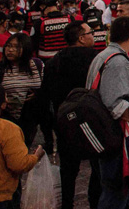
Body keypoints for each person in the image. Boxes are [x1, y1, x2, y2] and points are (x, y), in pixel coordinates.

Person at [85, 15, 129, 209]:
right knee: (115, 188)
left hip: (105, 133)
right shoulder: (117, 61)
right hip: (114, 135)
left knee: (119, 188)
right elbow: (115, 103)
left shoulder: (104, 56)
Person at [44, 20, 101, 209]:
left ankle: (67, 204)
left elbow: (46, 95)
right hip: (93, 120)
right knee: (97, 166)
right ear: (81, 38)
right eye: (91, 33)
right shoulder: (96, 59)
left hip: (64, 121)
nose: (94, 36)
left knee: (68, 170)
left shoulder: (54, 61)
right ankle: (94, 202)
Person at [0, 31, 49, 149]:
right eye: (8, 46)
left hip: (29, 118)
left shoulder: (37, 65)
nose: (10, 50)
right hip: (7, 117)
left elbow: (45, 87)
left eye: (16, 47)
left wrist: (37, 94)